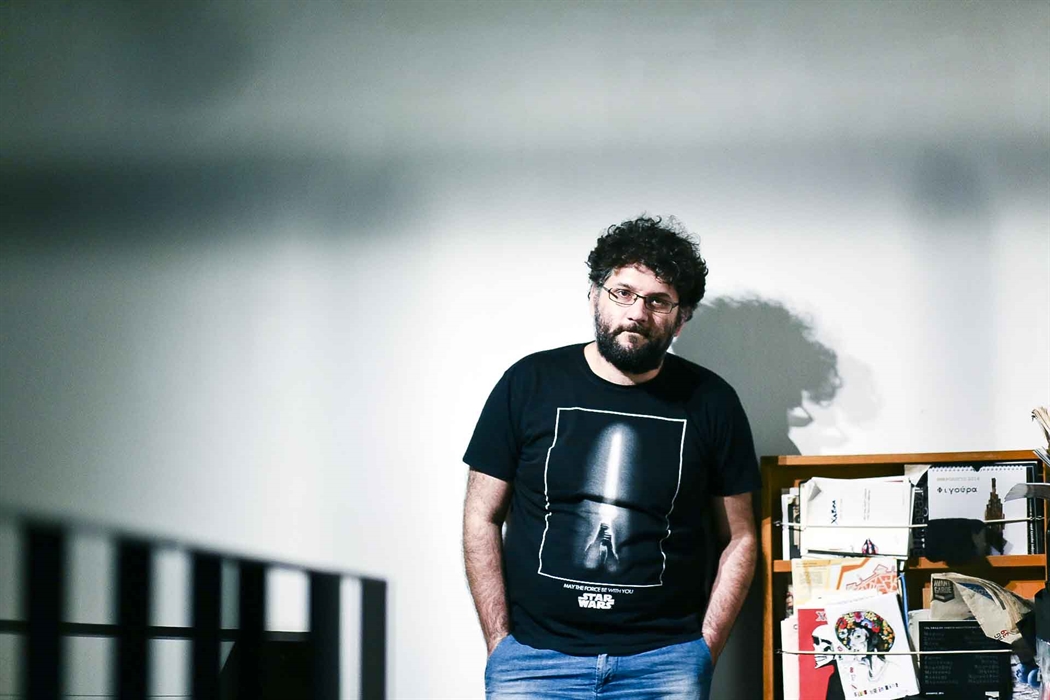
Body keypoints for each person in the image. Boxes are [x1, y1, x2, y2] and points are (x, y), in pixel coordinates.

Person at [462, 215, 761, 699]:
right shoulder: (529, 383)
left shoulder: (712, 402)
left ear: (681, 317)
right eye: (623, 292)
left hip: (663, 665)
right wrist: (500, 644)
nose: (637, 313)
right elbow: (481, 515)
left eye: (658, 300)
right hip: (534, 663)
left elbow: (741, 537)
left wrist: (703, 649)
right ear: (595, 296)